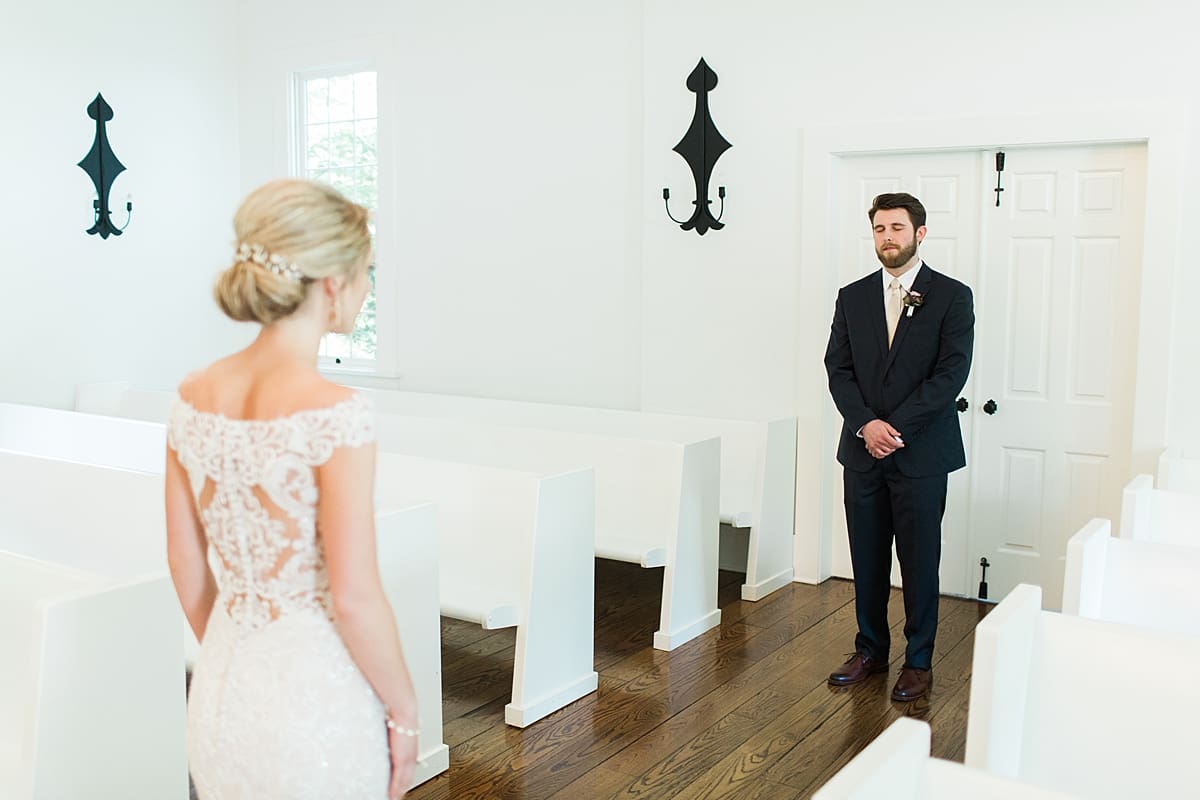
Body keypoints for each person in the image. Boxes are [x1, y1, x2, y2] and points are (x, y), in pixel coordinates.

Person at [164, 179, 419, 799]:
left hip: (222, 687)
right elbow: (356, 597)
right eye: (368, 273)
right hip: (317, 698)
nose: (367, 289)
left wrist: (241, 655)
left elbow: (186, 567)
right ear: (333, 283)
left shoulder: (193, 396)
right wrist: (404, 711)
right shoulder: (337, 412)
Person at [823, 192, 974, 702]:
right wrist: (867, 425)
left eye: (897, 229)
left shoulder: (953, 297)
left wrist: (895, 428)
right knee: (866, 556)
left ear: (920, 234)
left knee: (919, 558)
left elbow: (950, 374)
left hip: (922, 454)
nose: (887, 238)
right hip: (862, 453)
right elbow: (837, 370)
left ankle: (919, 659)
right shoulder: (852, 296)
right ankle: (869, 649)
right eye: (879, 229)